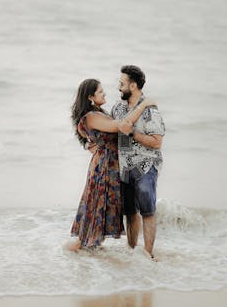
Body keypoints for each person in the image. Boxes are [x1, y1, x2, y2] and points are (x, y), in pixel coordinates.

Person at [68, 78, 155, 252]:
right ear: (90, 97)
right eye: (100, 92)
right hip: (105, 167)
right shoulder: (90, 117)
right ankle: (80, 252)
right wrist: (143, 105)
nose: (105, 93)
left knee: (109, 207)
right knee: (97, 206)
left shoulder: (99, 113)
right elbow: (121, 126)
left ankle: (93, 252)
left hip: (112, 164)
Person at [111, 65, 165, 260]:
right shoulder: (117, 108)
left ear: (133, 86)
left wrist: (133, 132)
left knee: (147, 211)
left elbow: (157, 143)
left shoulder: (150, 111)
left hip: (146, 166)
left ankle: (148, 255)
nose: (118, 87)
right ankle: (132, 253)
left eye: (121, 83)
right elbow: (112, 129)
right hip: (124, 167)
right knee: (129, 212)